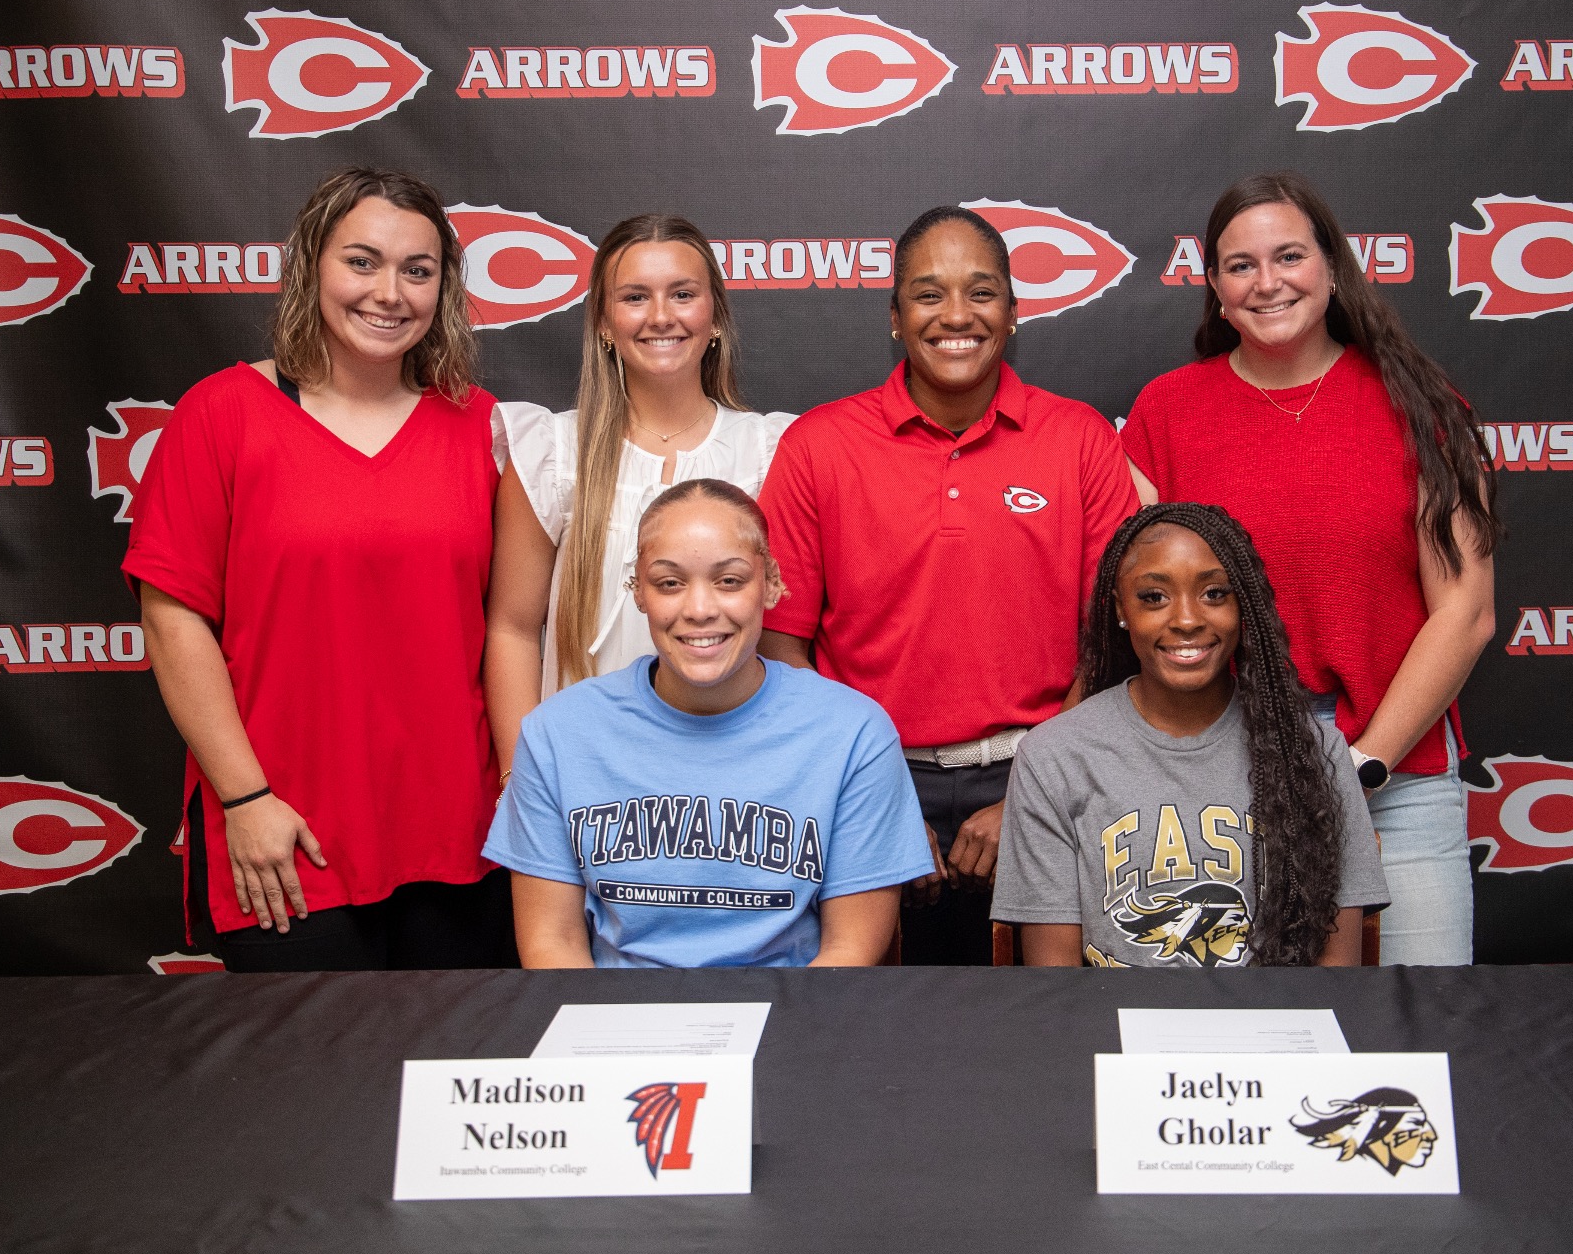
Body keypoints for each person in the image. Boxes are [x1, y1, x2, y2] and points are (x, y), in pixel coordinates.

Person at [126, 167, 513, 971]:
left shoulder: (482, 424)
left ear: (444, 287)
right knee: (312, 1090)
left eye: (418, 269)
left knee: (449, 1080)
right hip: (287, 833)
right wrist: (244, 797)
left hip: (460, 838)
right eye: (362, 261)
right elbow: (172, 618)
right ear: (312, 267)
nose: (390, 292)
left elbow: (513, 626)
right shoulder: (222, 414)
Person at [1121, 172, 1498, 966]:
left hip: (1395, 778)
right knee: (1244, 1040)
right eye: (1240, 265)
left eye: (1288, 255)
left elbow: (1465, 611)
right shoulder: (1166, 410)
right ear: (1217, 291)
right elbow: (1141, 605)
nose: (1268, 282)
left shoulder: (1419, 403)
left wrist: (1359, 767)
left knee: (1415, 1027)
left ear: (1331, 266)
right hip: (1225, 786)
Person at [757, 206, 1140, 964]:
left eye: (982, 292)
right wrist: (877, 802)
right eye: (929, 295)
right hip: (868, 777)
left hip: (1048, 771)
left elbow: (1114, 647)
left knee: (1042, 1033)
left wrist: (1032, 792)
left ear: (1014, 312)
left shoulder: (1082, 440)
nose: (956, 315)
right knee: (874, 1037)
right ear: (896, 318)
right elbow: (780, 647)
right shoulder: (818, 446)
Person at [488, 479, 933, 968]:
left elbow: (850, 952)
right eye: (669, 583)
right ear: (638, 591)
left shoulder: (854, 734)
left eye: (729, 580)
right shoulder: (557, 735)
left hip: (792, 1022)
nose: (699, 610)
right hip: (613, 1028)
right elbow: (552, 946)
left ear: (773, 584)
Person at [993, 503, 1387, 968]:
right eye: (1154, 597)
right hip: (1114, 1032)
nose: (1186, 619)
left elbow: (1337, 981)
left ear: (1245, 606)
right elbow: (1054, 985)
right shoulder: (1054, 757)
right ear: (1121, 608)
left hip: (1273, 1033)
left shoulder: (1312, 750)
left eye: (1215, 593)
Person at [485, 214, 794, 780]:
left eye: (682, 294)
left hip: (740, 770)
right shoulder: (553, 449)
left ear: (715, 316)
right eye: (634, 297)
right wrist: (518, 780)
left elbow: (788, 633)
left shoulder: (771, 450)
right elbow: (513, 627)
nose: (660, 316)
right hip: (584, 770)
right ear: (604, 322)